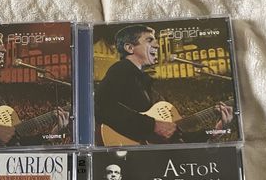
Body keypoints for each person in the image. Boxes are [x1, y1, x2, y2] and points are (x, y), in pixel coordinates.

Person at [94, 24, 233, 145]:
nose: (157, 45)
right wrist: (152, 125)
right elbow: (100, 105)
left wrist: (216, 131)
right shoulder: (122, 69)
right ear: (130, 48)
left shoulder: (145, 81)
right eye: (149, 40)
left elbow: (177, 138)